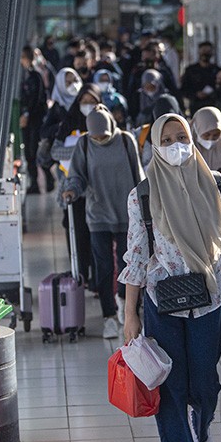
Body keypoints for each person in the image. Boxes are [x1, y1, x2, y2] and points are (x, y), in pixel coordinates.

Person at [119, 113, 221, 442]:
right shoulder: (142, 195)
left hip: (210, 300)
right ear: (155, 146)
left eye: (182, 137)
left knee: (205, 386)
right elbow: (137, 257)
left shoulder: (214, 183)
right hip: (163, 304)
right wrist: (131, 314)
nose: (177, 146)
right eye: (167, 140)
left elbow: (219, 238)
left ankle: (201, 428)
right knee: (171, 389)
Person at [61, 104, 143, 338]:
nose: (99, 139)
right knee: (104, 266)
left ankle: (128, 308)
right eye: (95, 136)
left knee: (130, 266)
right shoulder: (84, 144)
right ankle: (108, 314)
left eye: (103, 136)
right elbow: (76, 175)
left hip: (128, 215)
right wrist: (72, 191)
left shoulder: (126, 141)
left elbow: (138, 175)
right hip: (98, 214)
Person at [46, 80, 103, 292]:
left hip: (98, 190)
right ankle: (81, 274)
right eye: (84, 101)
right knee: (77, 231)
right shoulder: (69, 122)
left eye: (92, 102)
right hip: (73, 189)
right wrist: (81, 152)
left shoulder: (104, 124)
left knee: (97, 235)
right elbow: (55, 152)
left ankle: (100, 279)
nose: (87, 105)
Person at [19, 45, 52, 194]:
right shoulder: (29, 75)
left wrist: (26, 114)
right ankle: (36, 183)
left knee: (34, 151)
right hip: (31, 119)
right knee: (30, 152)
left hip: (35, 120)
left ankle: (46, 180)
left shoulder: (34, 76)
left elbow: (35, 99)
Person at [180, 41, 220, 116]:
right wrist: (195, 94)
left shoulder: (217, 70)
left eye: (208, 51)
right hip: (196, 107)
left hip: (213, 107)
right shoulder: (190, 70)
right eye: (203, 51)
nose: (205, 54)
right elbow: (184, 89)